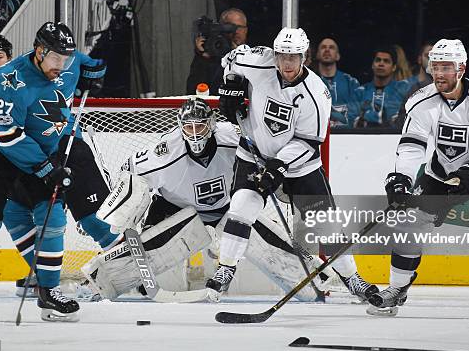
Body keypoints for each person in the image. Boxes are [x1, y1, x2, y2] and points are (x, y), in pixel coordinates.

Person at [82, 97, 351, 302]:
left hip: (229, 210)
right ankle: (101, 281)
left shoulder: (232, 139)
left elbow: (268, 158)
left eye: (200, 125)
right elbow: (131, 173)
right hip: (178, 209)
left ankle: (317, 282)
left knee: (286, 262)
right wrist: (120, 216)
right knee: (148, 251)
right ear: (180, 127)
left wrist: (284, 188)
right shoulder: (165, 152)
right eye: (188, 126)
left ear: (211, 123)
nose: (195, 132)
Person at [0, 22, 111, 322]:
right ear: (39, 51)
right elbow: (8, 135)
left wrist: (96, 73)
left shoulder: (65, 60)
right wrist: (45, 167)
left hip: (44, 155)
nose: (61, 66)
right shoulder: (6, 81)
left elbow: (89, 63)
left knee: (53, 219)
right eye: (56, 60)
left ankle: (48, 291)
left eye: (66, 59)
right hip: (1, 156)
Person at [205, 27, 379, 301]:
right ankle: (226, 270)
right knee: (240, 208)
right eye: (282, 56)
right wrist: (230, 86)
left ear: (304, 57)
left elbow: (309, 141)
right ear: (275, 55)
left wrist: (277, 167)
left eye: (293, 57)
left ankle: (353, 279)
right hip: (254, 154)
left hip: (300, 166)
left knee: (327, 225)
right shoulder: (258, 61)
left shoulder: (317, 94)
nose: (287, 63)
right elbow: (230, 59)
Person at [369, 39, 469, 318]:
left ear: (461, 68)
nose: (439, 73)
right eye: (435, 66)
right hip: (440, 174)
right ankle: (396, 288)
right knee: (409, 225)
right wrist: (401, 179)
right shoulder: (420, 101)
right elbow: (411, 146)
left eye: (446, 67)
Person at [185, 8, 248, 95]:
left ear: (246, 30)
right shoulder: (211, 56)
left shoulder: (253, 57)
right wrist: (202, 58)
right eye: (230, 26)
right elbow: (193, 92)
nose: (236, 31)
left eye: (240, 27)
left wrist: (237, 55)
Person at [354, 47, 411, 128]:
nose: (381, 64)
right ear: (372, 65)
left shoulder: (403, 90)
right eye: (378, 60)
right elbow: (351, 120)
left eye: (386, 61)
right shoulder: (360, 92)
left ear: (394, 67)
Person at [315, 37, 361, 128]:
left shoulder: (351, 82)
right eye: (323, 47)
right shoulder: (310, 82)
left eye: (331, 47)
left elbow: (356, 113)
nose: (327, 50)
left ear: (337, 56)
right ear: (317, 55)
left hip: (345, 135)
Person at [396, 41, 434, 127]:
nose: (433, 61)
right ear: (419, 59)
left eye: (437, 58)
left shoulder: (446, 89)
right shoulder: (402, 86)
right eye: (428, 56)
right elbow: (396, 120)